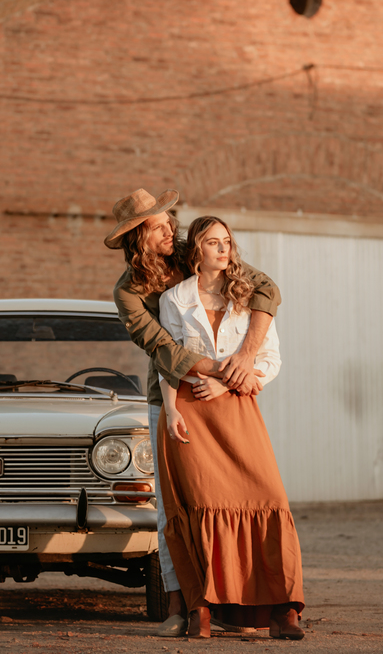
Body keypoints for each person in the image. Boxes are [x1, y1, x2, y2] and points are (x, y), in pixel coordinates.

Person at [105, 189, 281, 638]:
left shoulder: (195, 253)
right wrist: (223, 369)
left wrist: (244, 358)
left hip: (225, 391)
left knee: (236, 495)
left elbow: (265, 290)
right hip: (168, 398)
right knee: (172, 508)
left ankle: (234, 603)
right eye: (161, 226)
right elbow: (161, 347)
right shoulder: (128, 292)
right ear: (138, 236)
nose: (171, 230)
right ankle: (181, 606)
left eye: (170, 222)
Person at [157, 215, 305, 640]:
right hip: (191, 411)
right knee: (202, 506)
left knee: (269, 496)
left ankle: (283, 608)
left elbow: (270, 361)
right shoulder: (174, 299)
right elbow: (167, 361)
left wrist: (226, 384)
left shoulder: (249, 296)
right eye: (213, 242)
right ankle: (200, 609)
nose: (224, 249)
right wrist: (172, 411)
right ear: (195, 251)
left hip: (238, 406)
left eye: (227, 242)